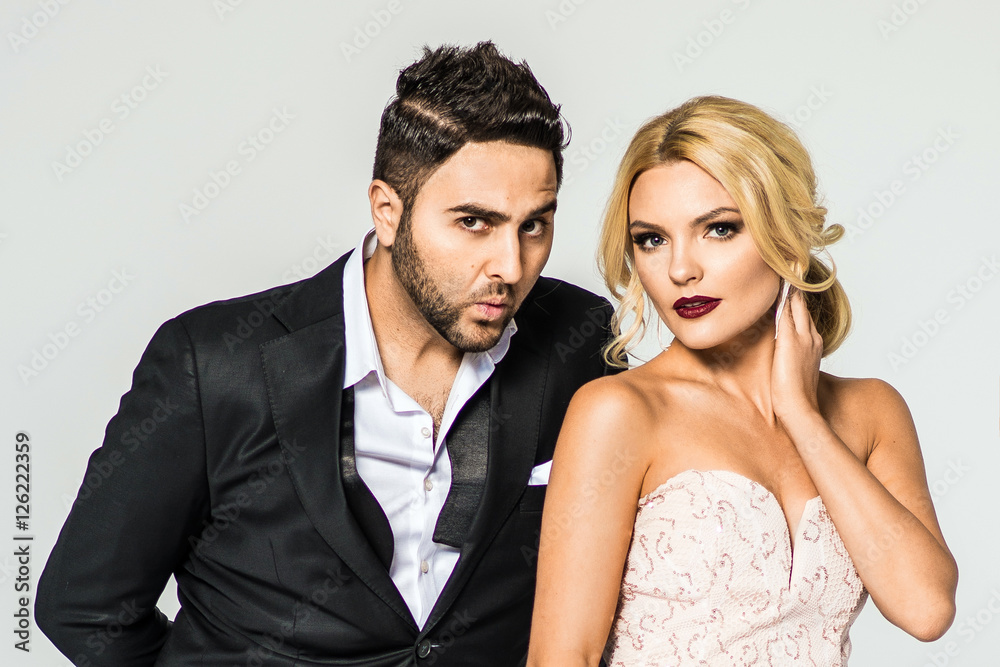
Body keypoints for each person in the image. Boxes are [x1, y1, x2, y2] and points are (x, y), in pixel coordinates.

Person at [36, 42, 614, 666]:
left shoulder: (579, 343)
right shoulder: (214, 365)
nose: (509, 265)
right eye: (474, 222)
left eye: (535, 224)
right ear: (388, 212)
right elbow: (85, 607)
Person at [526, 96, 958, 666]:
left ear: (784, 235)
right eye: (651, 239)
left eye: (719, 229)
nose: (681, 269)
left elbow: (925, 609)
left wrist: (803, 417)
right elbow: (562, 657)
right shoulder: (620, 412)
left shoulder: (871, 411)